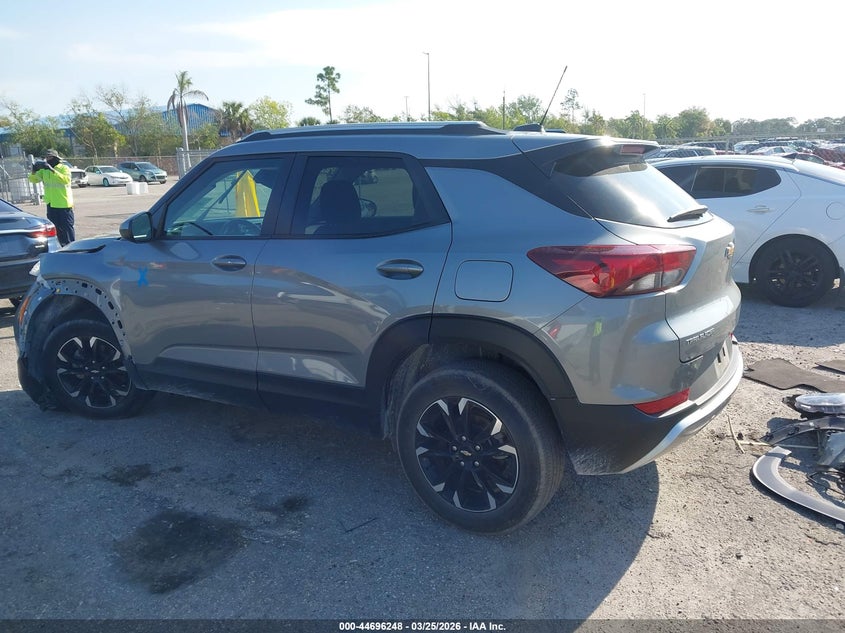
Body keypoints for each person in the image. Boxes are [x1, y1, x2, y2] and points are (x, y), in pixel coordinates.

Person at [28, 149, 75, 246]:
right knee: (56, 228)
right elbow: (33, 180)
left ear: (56, 158)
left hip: (63, 203)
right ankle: (61, 247)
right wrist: (33, 171)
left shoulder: (63, 168)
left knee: (67, 227)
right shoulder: (44, 170)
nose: (48, 159)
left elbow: (66, 180)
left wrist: (52, 170)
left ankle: (71, 247)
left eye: (50, 157)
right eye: (46, 157)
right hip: (51, 204)